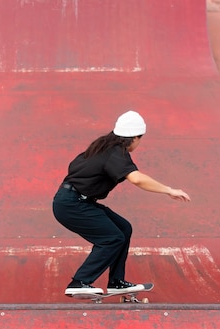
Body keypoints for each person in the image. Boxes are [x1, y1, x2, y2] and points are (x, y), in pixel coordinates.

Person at [53, 110, 191, 296]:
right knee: (111, 238)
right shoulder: (115, 153)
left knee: (123, 228)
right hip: (72, 204)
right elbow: (137, 179)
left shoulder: (102, 145)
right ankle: (80, 282)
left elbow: (75, 166)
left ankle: (116, 281)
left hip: (74, 200)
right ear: (134, 137)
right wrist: (169, 190)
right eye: (140, 139)